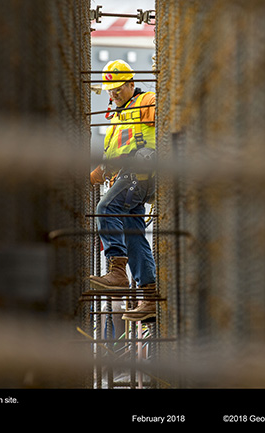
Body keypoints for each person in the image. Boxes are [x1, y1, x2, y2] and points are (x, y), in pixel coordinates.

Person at [89, 59, 157, 322]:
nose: (114, 93)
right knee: (133, 235)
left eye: (118, 88)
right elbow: (115, 151)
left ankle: (118, 271)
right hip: (128, 174)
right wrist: (102, 171)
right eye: (110, 90)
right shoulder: (118, 117)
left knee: (105, 208)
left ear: (131, 84)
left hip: (142, 166)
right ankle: (148, 298)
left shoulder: (146, 100)